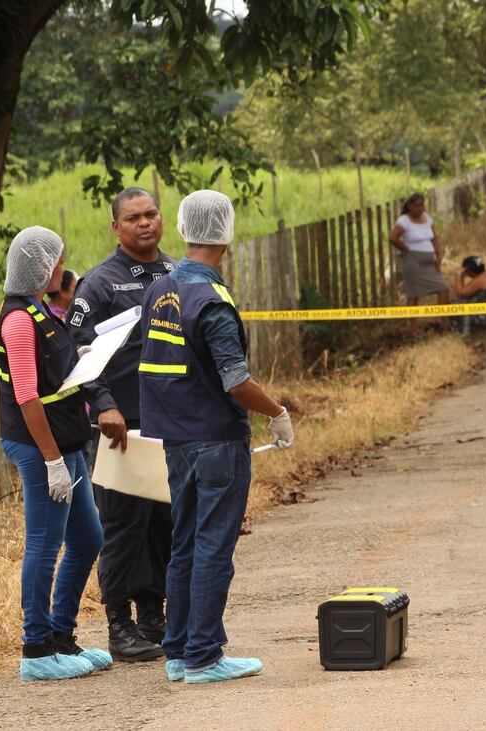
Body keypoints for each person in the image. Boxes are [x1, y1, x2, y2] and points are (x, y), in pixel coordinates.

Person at [138, 190, 295, 685]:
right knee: (212, 548)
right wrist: (277, 412)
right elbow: (235, 380)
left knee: (183, 541)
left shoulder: (159, 288)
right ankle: (206, 654)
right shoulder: (213, 300)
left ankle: (179, 652)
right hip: (217, 441)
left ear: (183, 228)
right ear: (226, 233)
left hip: (175, 439)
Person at [67, 187, 175, 663]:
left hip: (170, 421)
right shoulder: (99, 284)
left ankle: (154, 617)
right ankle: (120, 625)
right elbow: (76, 351)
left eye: (150, 213)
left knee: (163, 524)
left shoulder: (178, 274)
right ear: (116, 227)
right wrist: (104, 403)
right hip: (119, 425)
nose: (144, 223)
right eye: (133, 218)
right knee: (123, 526)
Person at [0, 226, 108, 682]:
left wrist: (81, 357)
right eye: (58, 260)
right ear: (42, 266)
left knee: (88, 539)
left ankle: (61, 636)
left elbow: (49, 371)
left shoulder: (40, 308)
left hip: (64, 438)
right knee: (45, 544)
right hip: (39, 445)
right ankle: (36, 648)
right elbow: (26, 397)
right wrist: (52, 462)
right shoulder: (19, 318)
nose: (63, 268)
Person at [389, 193, 450, 308]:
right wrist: (405, 248)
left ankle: (443, 323)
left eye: (421, 205)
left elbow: (434, 237)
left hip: (429, 263)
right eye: (416, 206)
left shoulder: (427, 218)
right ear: (409, 206)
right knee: (413, 295)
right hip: (413, 262)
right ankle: (412, 326)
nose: (419, 208)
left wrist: (439, 253)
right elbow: (392, 237)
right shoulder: (404, 220)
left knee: (443, 288)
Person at [452, 255, 486, 330]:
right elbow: (465, 294)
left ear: (468, 270)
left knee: (454, 304)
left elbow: (460, 294)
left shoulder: (480, 279)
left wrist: (458, 275)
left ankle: (455, 331)